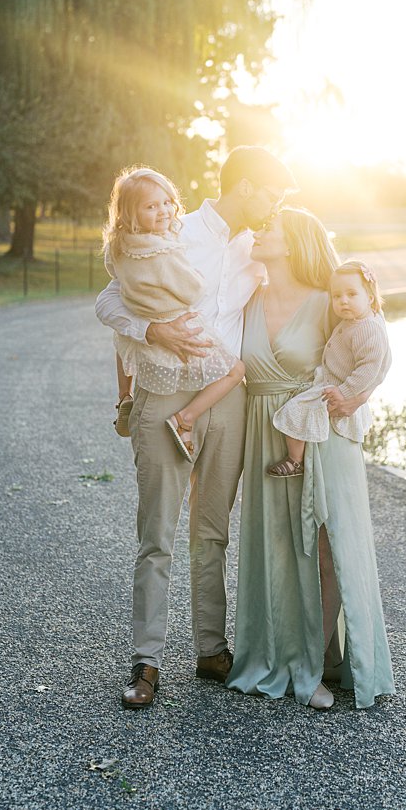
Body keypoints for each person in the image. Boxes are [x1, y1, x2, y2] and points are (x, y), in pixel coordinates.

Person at [95, 146, 295, 709]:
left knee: (212, 531)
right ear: (249, 186)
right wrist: (150, 331)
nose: (275, 204)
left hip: (224, 399)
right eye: (272, 192)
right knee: (157, 534)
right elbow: (109, 301)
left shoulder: (256, 248)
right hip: (165, 397)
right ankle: (147, 661)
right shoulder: (176, 229)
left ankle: (211, 649)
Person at [226, 207, 395, 710]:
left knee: (327, 548)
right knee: (276, 548)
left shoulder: (327, 302)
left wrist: (357, 396)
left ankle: (314, 663)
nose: (258, 230)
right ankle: (278, 655)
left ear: (293, 241)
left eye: (269, 227)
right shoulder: (247, 299)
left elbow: (372, 340)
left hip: (322, 433)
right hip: (263, 430)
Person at [101, 166, 246, 461]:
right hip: (182, 347)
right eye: (152, 206)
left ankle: (126, 398)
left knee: (212, 503)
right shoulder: (173, 240)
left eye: (166, 202)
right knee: (235, 370)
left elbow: (115, 270)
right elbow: (107, 300)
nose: (164, 211)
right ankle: (183, 418)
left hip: (216, 391)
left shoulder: (120, 245)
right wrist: (151, 329)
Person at [267, 259, 391, 478]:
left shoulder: (368, 328)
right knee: (299, 410)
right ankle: (299, 456)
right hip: (329, 383)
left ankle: (296, 461)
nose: (343, 301)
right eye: (337, 296)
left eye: (352, 295)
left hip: (336, 387)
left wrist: (345, 392)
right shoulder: (354, 321)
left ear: (370, 297)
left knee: (294, 411)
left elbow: (370, 368)